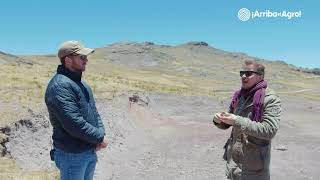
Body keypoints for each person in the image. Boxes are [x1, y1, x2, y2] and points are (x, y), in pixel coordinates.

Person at [45, 40, 108, 180]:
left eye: (86, 57)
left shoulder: (82, 84)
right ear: (68, 60)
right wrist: (99, 137)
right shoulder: (60, 86)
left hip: (88, 151)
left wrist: (99, 136)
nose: (86, 61)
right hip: (72, 155)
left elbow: (94, 113)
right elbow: (74, 123)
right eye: (82, 57)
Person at [213, 60, 281, 180]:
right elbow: (230, 120)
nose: (243, 76)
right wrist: (219, 120)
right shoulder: (239, 96)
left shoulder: (270, 99)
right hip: (233, 163)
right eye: (242, 73)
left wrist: (237, 120)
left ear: (260, 76)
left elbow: (269, 130)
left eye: (248, 73)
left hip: (254, 168)